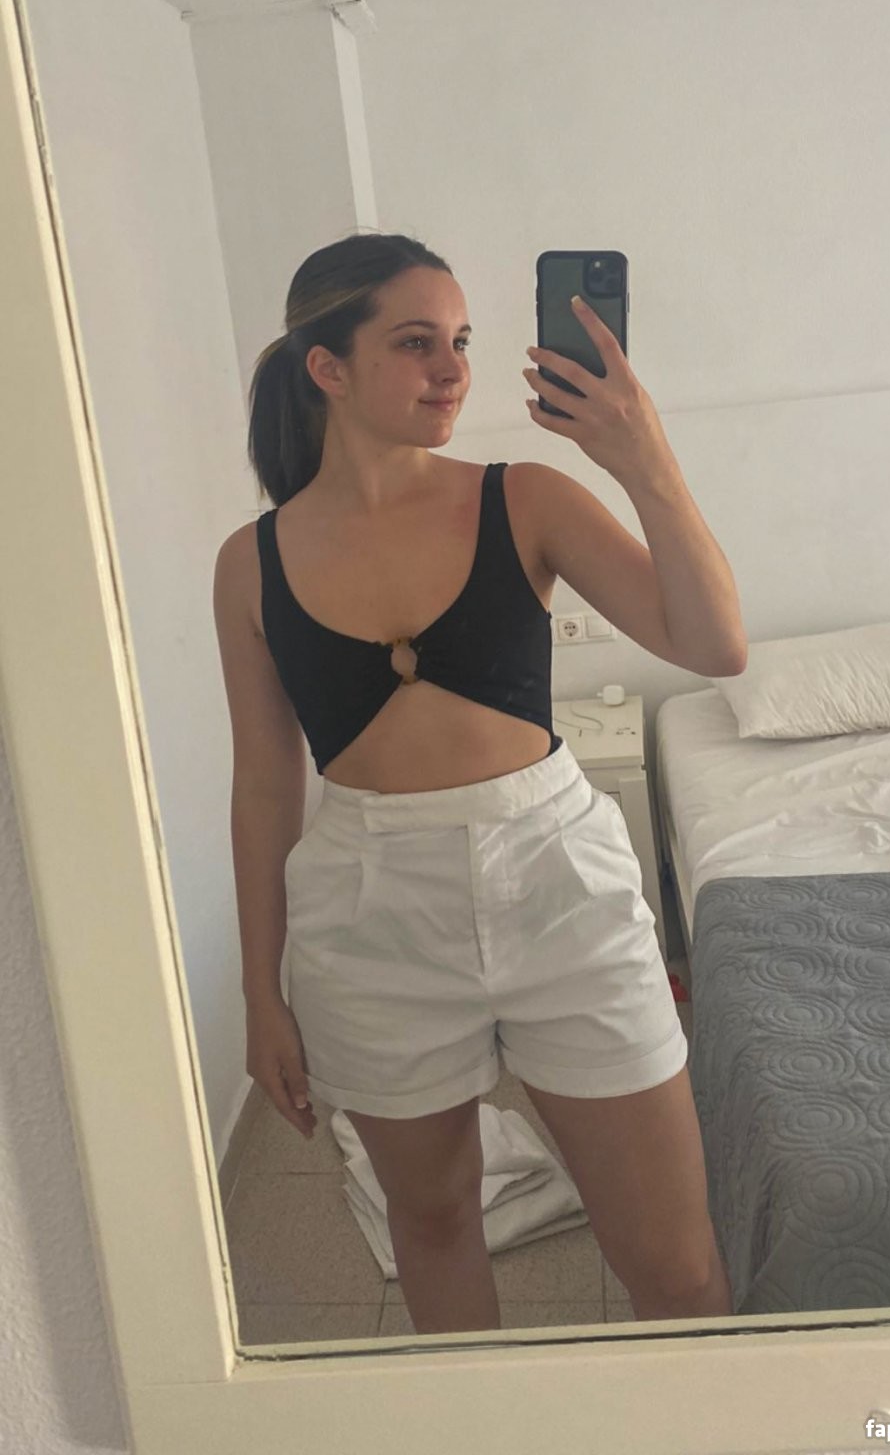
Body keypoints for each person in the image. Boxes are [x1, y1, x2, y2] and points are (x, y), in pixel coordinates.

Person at [213, 230, 748, 1337]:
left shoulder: (528, 501)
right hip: (368, 911)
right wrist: (263, 993)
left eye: (459, 342)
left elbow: (715, 646)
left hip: (558, 883)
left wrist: (643, 456)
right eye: (417, 343)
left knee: (677, 1267)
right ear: (328, 367)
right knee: (436, 1227)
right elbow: (264, 785)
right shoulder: (250, 563)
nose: (453, 369)